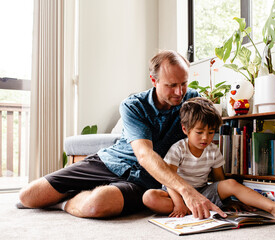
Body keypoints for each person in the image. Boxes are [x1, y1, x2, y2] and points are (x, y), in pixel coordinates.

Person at [18, 50, 226, 219]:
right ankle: (79, 192)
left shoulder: (191, 101)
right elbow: (144, 155)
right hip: (111, 162)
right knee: (29, 197)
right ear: (154, 80)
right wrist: (187, 191)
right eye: (171, 85)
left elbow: (205, 130)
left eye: (183, 84)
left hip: (143, 180)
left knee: (95, 205)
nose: (180, 92)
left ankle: (66, 202)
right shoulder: (133, 105)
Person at [143, 97, 275, 218]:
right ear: (185, 129)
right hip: (176, 193)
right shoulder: (178, 149)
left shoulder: (213, 150)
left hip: (202, 192)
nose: (205, 138)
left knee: (230, 183)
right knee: (149, 197)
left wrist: (228, 200)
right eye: (199, 132)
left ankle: (273, 207)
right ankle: (189, 208)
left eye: (211, 132)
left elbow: (219, 181)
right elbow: (169, 180)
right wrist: (179, 204)